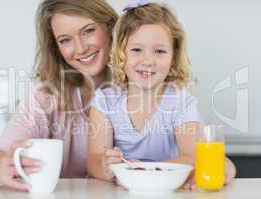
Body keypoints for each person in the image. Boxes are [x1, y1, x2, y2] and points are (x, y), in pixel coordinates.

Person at [87, 2, 236, 188]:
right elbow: (94, 160)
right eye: (136, 50)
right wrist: (106, 167)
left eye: (159, 51)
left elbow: (192, 158)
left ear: (173, 56)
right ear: (120, 53)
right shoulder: (105, 101)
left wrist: (143, 171)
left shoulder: (180, 102)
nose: (148, 60)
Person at [0, 0, 118, 191]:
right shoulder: (45, 95)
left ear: (110, 27)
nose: (81, 48)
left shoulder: (147, 88)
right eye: (65, 40)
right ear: (56, 48)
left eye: (88, 31)